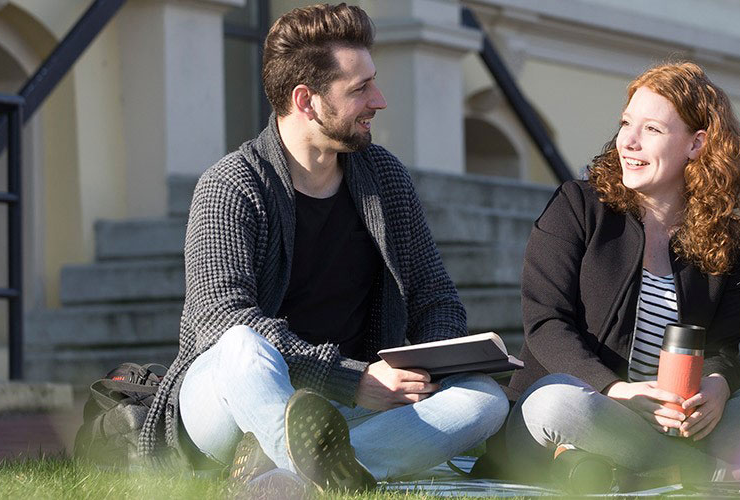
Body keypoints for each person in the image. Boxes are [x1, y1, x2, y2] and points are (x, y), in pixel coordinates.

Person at [135, 3, 508, 492]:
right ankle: (312, 462)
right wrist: (351, 379)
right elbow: (220, 318)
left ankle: (294, 476)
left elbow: (434, 296)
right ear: (306, 100)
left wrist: (425, 368)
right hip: (231, 402)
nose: (379, 100)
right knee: (243, 346)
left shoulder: (386, 178)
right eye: (360, 89)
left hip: (347, 407)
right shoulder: (231, 185)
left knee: (484, 400)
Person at [485, 61, 740, 490]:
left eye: (651, 129)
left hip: (669, 421)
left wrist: (719, 386)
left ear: (696, 145)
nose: (627, 141)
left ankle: (624, 467)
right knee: (555, 405)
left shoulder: (732, 237)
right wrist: (617, 391)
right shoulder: (578, 206)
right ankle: (698, 472)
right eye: (626, 123)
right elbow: (545, 325)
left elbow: (724, 345)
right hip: (582, 406)